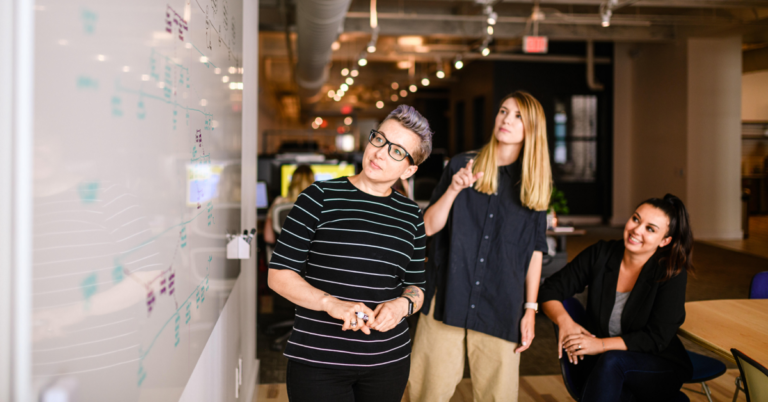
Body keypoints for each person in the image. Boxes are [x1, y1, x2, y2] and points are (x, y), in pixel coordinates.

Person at [268, 105, 433, 402]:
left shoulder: (411, 215)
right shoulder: (317, 198)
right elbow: (278, 275)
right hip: (319, 361)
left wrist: (402, 307)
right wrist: (330, 304)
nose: (380, 152)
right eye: (379, 139)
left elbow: (417, 287)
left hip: (387, 361)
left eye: (397, 151)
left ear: (409, 169)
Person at [409, 91, 552, 402]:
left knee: (497, 396)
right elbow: (428, 227)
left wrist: (530, 310)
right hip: (447, 294)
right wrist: (454, 190)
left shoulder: (534, 183)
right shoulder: (463, 165)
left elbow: (535, 251)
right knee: (427, 394)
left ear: (532, 129)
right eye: (503, 111)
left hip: (501, 302)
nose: (506, 120)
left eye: (517, 116)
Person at [539, 194, 695, 402]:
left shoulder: (670, 272)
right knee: (614, 380)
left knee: (613, 363)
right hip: (603, 363)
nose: (637, 230)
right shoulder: (601, 254)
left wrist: (601, 345)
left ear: (665, 241)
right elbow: (549, 289)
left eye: (650, 229)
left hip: (658, 364)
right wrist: (565, 322)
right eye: (636, 219)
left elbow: (656, 337)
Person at [263, 164, 315, 245]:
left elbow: (268, 238)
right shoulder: (317, 206)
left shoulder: (278, 203)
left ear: (293, 182)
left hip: (284, 255)